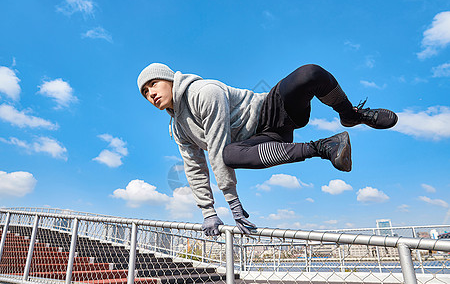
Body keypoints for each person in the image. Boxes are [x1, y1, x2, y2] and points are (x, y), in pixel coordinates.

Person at [137, 63, 398, 236]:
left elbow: (215, 145)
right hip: (263, 140)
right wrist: (208, 212)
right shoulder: (179, 129)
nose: (151, 94)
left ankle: (350, 114)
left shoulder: (204, 92)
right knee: (230, 154)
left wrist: (233, 204)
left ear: (169, 79)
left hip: (269, 110)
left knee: (310, 73)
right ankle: (323, 147)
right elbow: (194, 168)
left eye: (154, 85)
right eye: (145, 93)